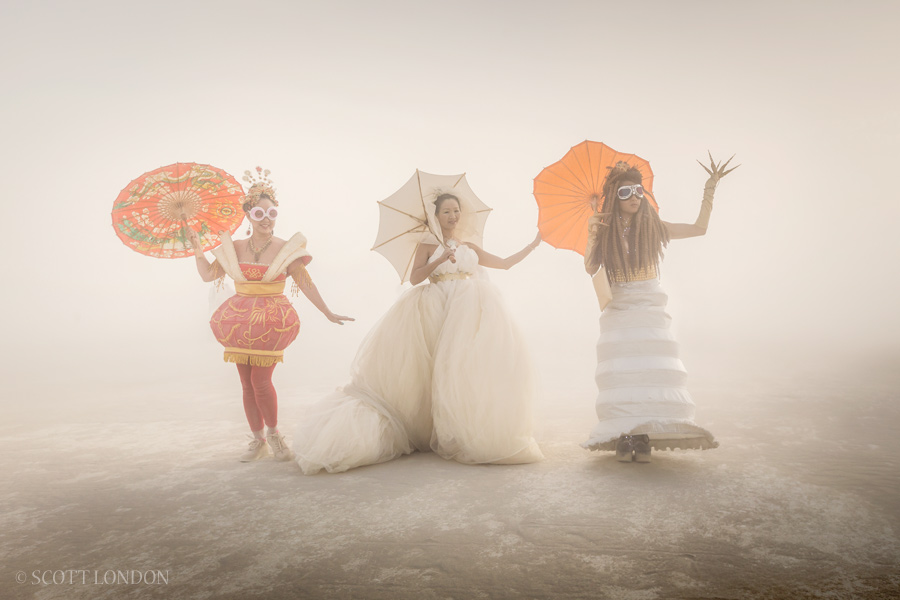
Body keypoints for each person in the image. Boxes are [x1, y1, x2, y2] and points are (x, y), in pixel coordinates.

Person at [293, 190, 544, 474]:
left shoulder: (469, 245)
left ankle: (458, 427)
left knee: (460, 368)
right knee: (428, 368)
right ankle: (425, 427)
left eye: (456, 211)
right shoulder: (426, 244)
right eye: (447, 211)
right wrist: (439, 259)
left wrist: (534, 243)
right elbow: (414, 278)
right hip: (436, 307)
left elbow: (505, 263)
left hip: (467, 310)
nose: (453, 216)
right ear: (435, 216)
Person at [185, 167, 353, 462]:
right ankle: (257, 440)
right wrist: (198, 249)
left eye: (271, 213)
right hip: (237, 321)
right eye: (259, 214)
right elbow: (208, 275)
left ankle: (274, 435)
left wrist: (326, 311)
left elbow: (304, 282)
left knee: (261, 382)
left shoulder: (285, 248)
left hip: (270, 323)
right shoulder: (234, 247)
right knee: (246, 383)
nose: (267, 220)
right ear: (248, 214)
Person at [582, 155, 737, 462]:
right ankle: (627, 437)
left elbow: (699, 228)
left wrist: (709, 190)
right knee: (625, 373)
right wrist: (591, 233)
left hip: (649, 303)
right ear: (614, 197)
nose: (634, 198)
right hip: (621, 305)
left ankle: (642, 438)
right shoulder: (605, 230)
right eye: (625, 193)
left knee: (650, 371)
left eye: (639, 192)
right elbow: (590, 268)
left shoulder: (654, 228)